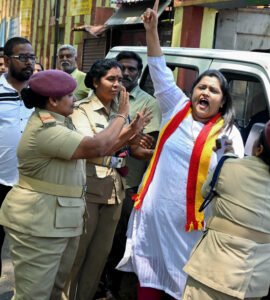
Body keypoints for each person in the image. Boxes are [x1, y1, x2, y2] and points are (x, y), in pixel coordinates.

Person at [116, 5, 244, 300]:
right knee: (148, 282)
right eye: (201, 87)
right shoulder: (176, 108)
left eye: (213, 91)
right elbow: (159, 68)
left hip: (190, 229)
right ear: (192, 91)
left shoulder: (227, 134)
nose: (205, 93)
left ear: (222, 102)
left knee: (183, 288)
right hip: (154, 217)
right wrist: (151, 31)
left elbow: (230, 176)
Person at [0, 69, 150, 300]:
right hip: (38, 222)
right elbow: (96, 148)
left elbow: (96, 150)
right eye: (70, 95)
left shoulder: (61, 122)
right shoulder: (46, 129)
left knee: (54, 290)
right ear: (52, 100)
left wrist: (130, 130)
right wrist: (121, 115)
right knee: (33, 294)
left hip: (57, 221)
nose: (75, 99)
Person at [67, 58, 153, 300]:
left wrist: (135, 137)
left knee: (99, 256)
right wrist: (128, 126)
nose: (117, 84)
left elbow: (126, 148)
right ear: (95, 82)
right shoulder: (81, 110)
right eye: (111, 79)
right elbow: (97, 148)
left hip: (115, 187)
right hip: (89, 186)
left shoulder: (119, 111)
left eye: (120, 80)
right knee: (78, 253)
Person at [183, 119, 270, 300]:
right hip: (254, 282)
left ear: (259, 149)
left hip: (214, 273)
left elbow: (206, 191)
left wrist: (224, 157)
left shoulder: (228, 167)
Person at [102, 50, 162, 299]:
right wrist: (130, 138)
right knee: (94, 239)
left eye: (132, 70)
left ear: (139, 73)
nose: (126, 74)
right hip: (95, 179)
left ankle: (111, 288)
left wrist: (128, 141)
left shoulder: (149, 103)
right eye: (122, 69)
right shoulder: (104, 96)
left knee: (118, 241)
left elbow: (148, 144)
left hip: (129, 184)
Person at [0, 37, 35, 277]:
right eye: (22, 57)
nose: (29, 62)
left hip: (33, 186)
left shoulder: (41, 92)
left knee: (30, 253)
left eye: (31, 57)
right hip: (1, 182)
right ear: (6, 60)